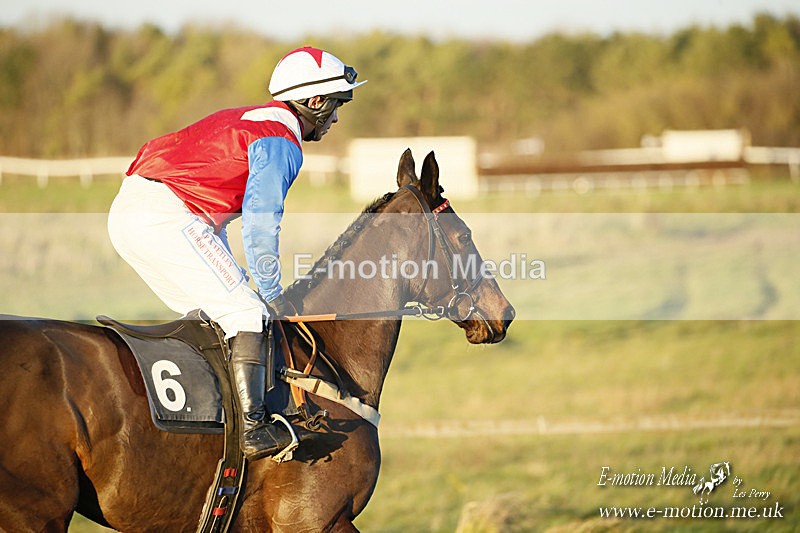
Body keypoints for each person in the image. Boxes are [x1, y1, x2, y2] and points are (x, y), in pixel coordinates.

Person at [107, 46, 366, 461]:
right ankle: (253, 429)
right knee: (247, 314)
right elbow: (261, 224)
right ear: (315, 101)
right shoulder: (281, 141)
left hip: (134, 211)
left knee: (215, 320)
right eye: (336, 105)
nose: (336, 118)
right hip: (168, 215)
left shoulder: (249, 117)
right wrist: (270, 292)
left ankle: (213, 424)